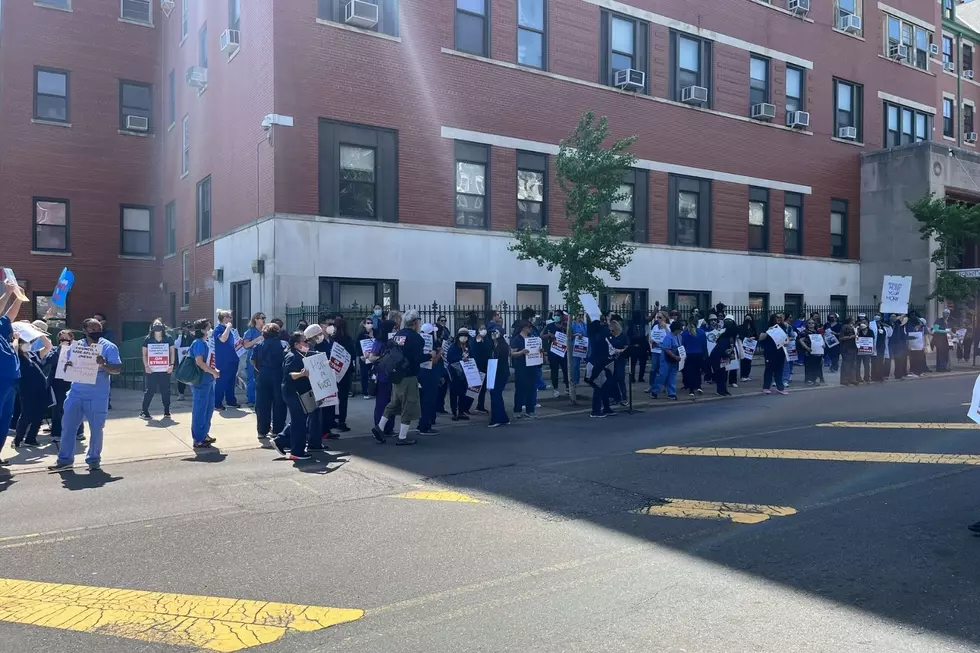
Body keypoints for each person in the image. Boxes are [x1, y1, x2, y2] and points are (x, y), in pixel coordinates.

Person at [46, 318, 123, 471]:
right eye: (93, 330)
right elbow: (64, 367)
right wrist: (67, 365)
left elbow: (117, 369)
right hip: (75, 394)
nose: (96, 332)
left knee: (96, 429)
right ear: (85, 330)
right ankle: (65, 459)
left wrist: (104, 365)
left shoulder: (109, 347)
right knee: (67, 428)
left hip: (97, 396)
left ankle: (93, 459)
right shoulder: (76, 347)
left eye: (98, 329)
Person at [372, 309, 431, 446]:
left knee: (394, 403)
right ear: (416, 322)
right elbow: (417, 358)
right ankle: (402, 437)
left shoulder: (398, 334)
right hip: (409, 375)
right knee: (408, 405)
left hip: (396, 374)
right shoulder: (417, 338)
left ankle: (379, 427)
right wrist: (430, 355)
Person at [271, 331, 315, 461]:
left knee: (299, 419)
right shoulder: (292, 356)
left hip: (299, 392)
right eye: (305, 341)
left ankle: (281, 440)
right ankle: (297, 451)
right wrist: (301, 374)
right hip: (293, 393)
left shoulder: (301, 354)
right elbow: (289, 374)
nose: (308, 343)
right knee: (299, 422)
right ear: (297, 344)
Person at [181, 319, 219, 450]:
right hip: (201, 380)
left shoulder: (205, 342)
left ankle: (204, 434)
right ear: (203, 330)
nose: (211, 330)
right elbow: (199, 362)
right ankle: (198, 439)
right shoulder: (198, 343)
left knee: (208, 408)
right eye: (209, 328)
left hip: (208, 379)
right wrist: (213, 371)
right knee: (200, 409)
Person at [12, 327, 53, 447]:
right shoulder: (18, 357)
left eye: (29, 342)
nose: (28, 345)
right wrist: (16, 339)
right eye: (25, 343)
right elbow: (14, 349)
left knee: (38, 415)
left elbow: (48, 347)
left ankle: (31, 438)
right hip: (26, 389)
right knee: (26, 414)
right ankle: (18, 440)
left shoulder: (33, 355)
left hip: (40, 390)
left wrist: (40, 334)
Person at [47, 329, 84, 445]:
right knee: (58, 407)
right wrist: (60, 350)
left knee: (75, 406)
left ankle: (79, 431)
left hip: (72, 381)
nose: (64, 341)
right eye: (62, 339)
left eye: (67, 339)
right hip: (57, 382)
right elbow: (50, 360)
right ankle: (56, 433)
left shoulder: (77, 349)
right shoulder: (54, 350)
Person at [252, 322, 286, 441]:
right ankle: (277, 429)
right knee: (279, 403)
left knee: (262, 404)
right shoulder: (283, 345)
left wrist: (260, 369)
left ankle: (262, 430)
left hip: (263, 375)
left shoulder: (258, 345)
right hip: (278, 375)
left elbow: (253, 361)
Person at [324, 317, 356, 434]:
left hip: (333, 370)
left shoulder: (332, 340)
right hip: (345, 372)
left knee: (332, 396)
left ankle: (332, 419)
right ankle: (342, 421)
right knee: (343, 398)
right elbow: (353, 354)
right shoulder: (348, 339)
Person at [139, 320, 175, 420]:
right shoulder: (148, 339)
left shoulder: (168, 338)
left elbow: (172, 352)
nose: (158, 327)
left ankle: (167, 410)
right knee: (150, 390)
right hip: (152, 369)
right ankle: (144, 411)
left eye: (159, 325)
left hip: (165, 369)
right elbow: (144, 354)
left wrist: (171, 365)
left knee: (166, 390)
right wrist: (146, 366)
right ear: (152, 327)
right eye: (156, 325)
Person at [368, 320, 398, 439]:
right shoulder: (379, 342)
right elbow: (372, 357)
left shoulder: (393, 341)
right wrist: (385, 357)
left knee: (392, 403)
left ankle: (389, 427)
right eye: (394, 328)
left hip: (392, 376)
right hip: (382, 376)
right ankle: (379, 427)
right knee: (382, 403)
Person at [416, 323, 442, 436]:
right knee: (429, 400)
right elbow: (434, 361)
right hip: (430, 375)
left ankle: (422, 423)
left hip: (420, 374)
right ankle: (425, 426)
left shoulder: (418, 342)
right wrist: (440, 353)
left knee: (423, 400)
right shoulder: (431, 345)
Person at [212, 309, 240, 410]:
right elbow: (223, 339)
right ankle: (217, 403)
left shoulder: (231, 330)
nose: (231, 319)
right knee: (221, 381)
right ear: (224, 318)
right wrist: (227, 327)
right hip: (223, 360)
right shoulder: (218, 329)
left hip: (233, 358)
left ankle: (231, 400)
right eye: (229, 317)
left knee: (231, 382)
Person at [510, 320, 538, 419]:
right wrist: (521, 352)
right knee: (520, 389)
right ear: (523, 328)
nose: (531, 329)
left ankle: (530, 410)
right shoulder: (517, 339)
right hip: (521, 367)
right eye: (529, 327)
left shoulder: (532, 339)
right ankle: (517, 410)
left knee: (531, 389)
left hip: (531, 366)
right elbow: (512, 353)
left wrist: (539, 351)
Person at [586, 318, 614, 417]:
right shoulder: (599, 336)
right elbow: (604, 335)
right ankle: (595, 411)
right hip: (597, 364)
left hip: (600, 363)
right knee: (598, 388)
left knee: (605, 387)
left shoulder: (594, 334)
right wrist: (605, 326)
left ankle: (606, 408)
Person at [650, 320, 682, 400]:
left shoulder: (679, 336)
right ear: (676, 329)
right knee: (662, 375)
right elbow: (666, 349)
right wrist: (675, 356)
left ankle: (672, 393)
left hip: (674, 359)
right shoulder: (669, 337)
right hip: (666, 359)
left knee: (672, 376)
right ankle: (655, 391)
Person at [447, 327, 474, 421]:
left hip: (465, 373)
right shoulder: (453, 347)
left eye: (466, 336)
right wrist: (461, 359)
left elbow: (472, 356)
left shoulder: (468, 347)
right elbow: (450, 358)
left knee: (463, 393)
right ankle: (454, 412)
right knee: (454, 393)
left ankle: (461, 411)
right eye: (462, 336)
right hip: (454, 373)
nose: (464, 338)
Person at [758, 314, 788, 395]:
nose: (779, 319)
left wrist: (786, 342)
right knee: (769, 369)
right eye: (777, 317)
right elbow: (761, 337)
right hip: (770, 351)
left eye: (780, 317)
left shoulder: (783, 327)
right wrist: (768, 331)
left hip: (780, 352)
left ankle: (780, 387)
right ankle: (766, 387)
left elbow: (786, 338)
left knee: (779, 370)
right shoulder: (767, 327)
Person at [487, 328, 511, 428]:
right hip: (494, 372)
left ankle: (496, 419)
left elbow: (501, 359)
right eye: (491, 332)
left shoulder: (503, 346)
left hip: (501, 373)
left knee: (495, 394)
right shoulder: (492, 345)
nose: (493, 334)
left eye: (495, 333)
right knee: (496, 395)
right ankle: (503, 418)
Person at [242, 312, 266, 407]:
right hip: (252, 357)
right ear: (256, 319)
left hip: (263, 358)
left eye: (264, 318)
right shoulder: (250, 331)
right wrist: (257, 339)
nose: (263, 320)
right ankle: (251, 400)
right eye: (261, 318)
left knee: (262, 379)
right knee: (251, 378)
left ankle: (261, 398)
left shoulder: (265, 330)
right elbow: (246, 345)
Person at [710, 320, 738, 396]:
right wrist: (729, 355)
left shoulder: (728, 338)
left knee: (723, 374)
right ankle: (720, 390)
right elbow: (722, 351)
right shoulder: (725, 339)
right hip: (717, 358)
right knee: (720, 374)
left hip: (722, 358)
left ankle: (723, 389)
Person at [544, 313, 569, 398]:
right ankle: (555, 389)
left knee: (566, 370)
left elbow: (570, 335)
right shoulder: (550, 326)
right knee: (554, 371)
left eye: (558, 315)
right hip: (553, 351)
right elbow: (542, 335)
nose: (556, 317)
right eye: (555, 315)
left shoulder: (565, 326)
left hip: (563, 352)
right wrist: (549, 335)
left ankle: (568, 387)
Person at [681, 320, 706, 398]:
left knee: (690, 372)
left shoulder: (684, 333)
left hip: (689, 355)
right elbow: (704, 344)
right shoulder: (701, 332)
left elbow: (683, 344)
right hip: (699, 354)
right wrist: (705, 354)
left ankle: (691, 389)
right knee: (698, 371)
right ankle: (699, 386)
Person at [471, 322, 492, 413]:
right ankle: (465, 407)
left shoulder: (487, 339)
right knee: (474, 388)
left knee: (483, 388)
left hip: (486, 365)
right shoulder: (475, 340)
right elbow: (475, 351)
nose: (483, 331)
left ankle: (480, 406)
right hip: (478, 365)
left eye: (484, 329)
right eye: (481, 329)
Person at [609, 320, 630, 405]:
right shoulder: (611, 337)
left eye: (613, 330)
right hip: (612, 359)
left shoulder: (623, 336)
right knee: (612, 379)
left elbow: (627, 347)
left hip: (621, 359)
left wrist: (620, 351)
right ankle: (615, 397)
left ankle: (624, 397)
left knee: (620, 377)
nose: (612, 332)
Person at [355, 317, 376, 399]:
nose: (370, 324)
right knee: (364, 375)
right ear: (364, 324)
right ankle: (365, 392)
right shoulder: (361, 334)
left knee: (373, 374)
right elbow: (357, 346)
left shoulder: (375, 332)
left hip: (373, 357)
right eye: (367, 323)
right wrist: (360, 356)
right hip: (364, 358)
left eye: (371, 323)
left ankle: (373, 390)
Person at [648, 312, 667, 395]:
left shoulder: (667, 326)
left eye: (659, 317)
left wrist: (665, 327)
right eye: (657, 317)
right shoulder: (655, 326)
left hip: (663, 350)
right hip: (655, 350)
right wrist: (651, 340)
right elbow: (651, 336)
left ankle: (664, 386)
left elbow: (670, 336)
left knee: (663, 369)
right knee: (653, 369)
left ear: (664, 318)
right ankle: (652, 385)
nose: (658, 319)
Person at [628, 310, 650, 384]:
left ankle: (633, 377)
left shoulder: (630, 323)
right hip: (641, 342)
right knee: (641, 362)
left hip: (634, 342)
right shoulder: (642, 322)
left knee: (634, 362)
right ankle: (640, 377)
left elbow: (628, 333)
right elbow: (650, 318)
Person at [838, 316, 859, 386]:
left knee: (853, 364)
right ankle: (844, 379)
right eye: (853, 319)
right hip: (847, 348)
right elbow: (841, 337)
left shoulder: (854, 327)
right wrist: (850, 337)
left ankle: (852, 379)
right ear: (850, 320)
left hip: (854, 347)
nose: (854, 320)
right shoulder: (845, 327)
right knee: (846, 364)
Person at [869, 312, 889, 382]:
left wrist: (887, 326)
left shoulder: (883, 325)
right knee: (874, 362)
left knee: (881, 362)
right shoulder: (871, 324)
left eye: (878, 315)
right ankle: (874, 377)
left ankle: (880, 376)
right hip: (875, 346)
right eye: (876, 315)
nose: (877, 316)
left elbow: (889, 334)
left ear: (881, 317)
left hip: (882, 346)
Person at [739, 315, 758, 382]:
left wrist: (753, 338)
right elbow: (739, 335)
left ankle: (747, 375)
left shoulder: (753, 328)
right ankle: (742, 375)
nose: (748, 320)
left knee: (749, 361)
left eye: (750, 318)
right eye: (747, 318)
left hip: (751, 346)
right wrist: (746, 338)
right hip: (743, 345)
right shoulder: (741, 327)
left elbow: (756, 335)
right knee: (743, 361)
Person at [890, 314, 909, 379]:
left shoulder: (901, 326)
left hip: (901, 345)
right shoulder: (898, 326)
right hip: (897, 345)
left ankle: (899, 373)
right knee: (898, 360)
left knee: (900, 361)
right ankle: (898, 374)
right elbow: (897, 336)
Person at [856, 318, 873, 383]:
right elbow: (856, 338)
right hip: (859, 350)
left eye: (865, 323)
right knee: (858, 365)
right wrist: (857, 330)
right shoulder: (858, 331)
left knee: (867, 365)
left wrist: (872, 350)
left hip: (867, 350)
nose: (863, 324)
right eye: (862, 323)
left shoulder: (870, 331)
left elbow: (872, 340)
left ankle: (867, 377)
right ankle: (858, 377)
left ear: (868, 324)